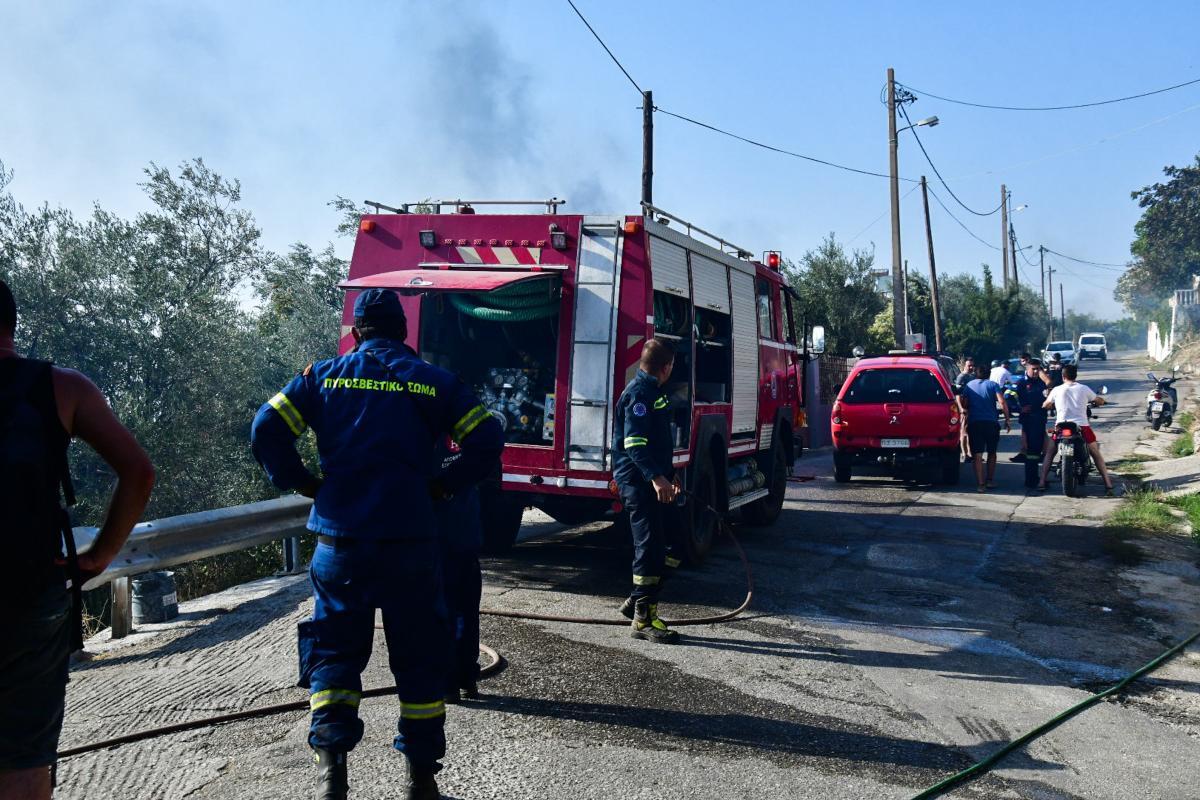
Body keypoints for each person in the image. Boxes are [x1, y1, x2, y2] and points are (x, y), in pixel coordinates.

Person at [251, 288, 503, 800]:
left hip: (340, 543)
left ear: (357, 332)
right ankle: (420, 781)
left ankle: (332, 776)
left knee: (335, 656)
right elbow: (487, 439)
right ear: (403, 331)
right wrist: (444, 484)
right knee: (419, 657)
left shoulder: (322, 377)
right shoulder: (436, 383)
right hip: (412, 541)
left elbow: (265, 428)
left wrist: (304, 483)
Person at [0, 279, 155, 800]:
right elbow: (138, 472)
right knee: (24, 757)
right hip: (30, 591)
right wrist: (99, 556)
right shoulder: (62, 388)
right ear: (11, 324)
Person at [613, 339, 680, 644]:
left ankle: (638, 600)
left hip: (655, 480)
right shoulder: (639, 394)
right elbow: (634, 444)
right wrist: (656, 479)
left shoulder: (652, 391)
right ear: (666, 367)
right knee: (650, 546)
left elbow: (658, 443)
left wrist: (669, 476)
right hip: (637, 482)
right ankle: (643, 618)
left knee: (672, 547)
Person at [433, 437, 484, 704]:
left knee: (443, 612)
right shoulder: (471, 434)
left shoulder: (424, 430)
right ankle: (466, 678)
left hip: (438, 541)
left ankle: (448, 682)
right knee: (466, 611)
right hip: (466, 538)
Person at [1037, 364, 1115, 496]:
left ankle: (1042, 482)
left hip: (1061, 426)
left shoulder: (1056, 389)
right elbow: (1098, 400)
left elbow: (1046, 404)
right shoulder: (1083, 389)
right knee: (1095, 453)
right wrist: (1101, 401)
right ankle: (1108, 483)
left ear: (1063, 376)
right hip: (1081, 426)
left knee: (1050, 453)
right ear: (1075, 376)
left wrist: (1048, 404)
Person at [961, 362, 1012, 492]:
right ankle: (990, 480)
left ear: (975, 374)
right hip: (991, 423)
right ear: (989, 375)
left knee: (977, 454)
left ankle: (980, 484)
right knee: (992, 452)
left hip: (974, 423)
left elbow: (965, 403)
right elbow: (1002, 401)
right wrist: (1007, 419)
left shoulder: (968, 386)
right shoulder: (993, 385)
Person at [1013, 359, 1049, 488]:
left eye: (1038, 369)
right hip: (1029, 420)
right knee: (1032, 451)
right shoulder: (1022, 383)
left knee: (1037, 451)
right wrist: (1019, 409)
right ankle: (1031, 479)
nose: (1036, 371)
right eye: (1033, 369)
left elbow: (1052, 395)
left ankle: (1035, 477)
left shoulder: (1043, 383)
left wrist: (1047, 381)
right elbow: (1009, 398)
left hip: (1040, 418)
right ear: (1027, 369)